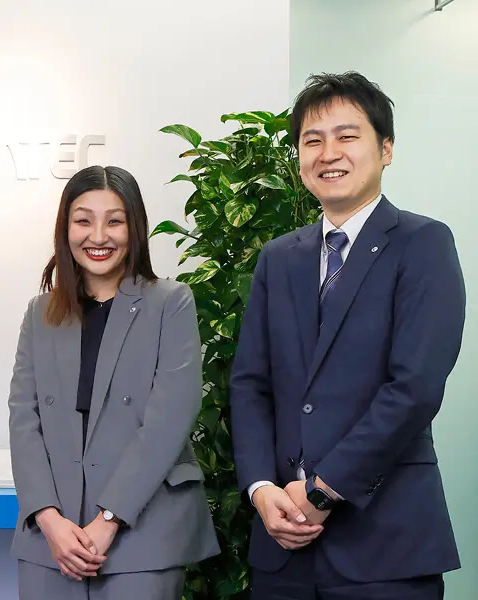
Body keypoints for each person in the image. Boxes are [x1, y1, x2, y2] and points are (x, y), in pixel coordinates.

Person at [231, 71, 465, 599]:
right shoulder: (278, 258)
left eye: (347, 136)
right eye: (312, 140)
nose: (328, 153)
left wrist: (323, 492)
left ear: (386, 149)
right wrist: (262, 488)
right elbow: (250, 384)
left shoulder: (423, 244)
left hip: (385, 546)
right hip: (282, 549)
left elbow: (414, 387)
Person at [8, 165, 219, 599]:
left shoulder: (171, 303)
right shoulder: (40, 312)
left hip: (142, 532)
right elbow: (23, 420)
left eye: (115, 221)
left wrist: (109, 519)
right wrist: (47, 518)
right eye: (83, 220)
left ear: (134, 227)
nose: (98, 236)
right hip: (52, 537)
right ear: (65, 228)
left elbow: (168, 422)